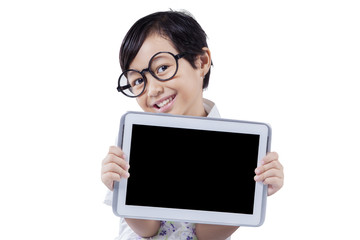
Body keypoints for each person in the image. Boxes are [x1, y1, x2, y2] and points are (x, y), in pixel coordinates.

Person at [101, 10, 284, 240]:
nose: (153, 90)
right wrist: (119, 185)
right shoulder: (136, 142)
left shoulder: (233, 148)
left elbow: (205, 235)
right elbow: (147, 229)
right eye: (138, 80)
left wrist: (252, 193)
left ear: (201, 61)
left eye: (162, 68)